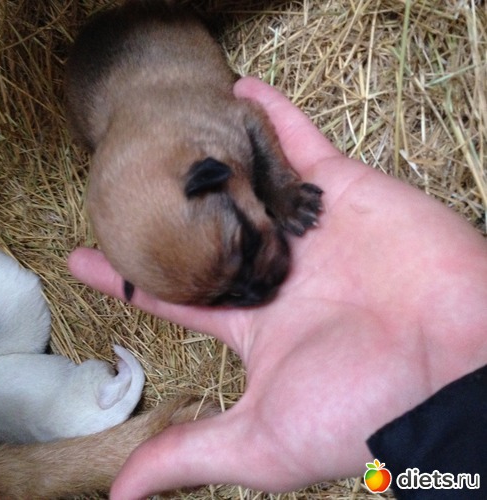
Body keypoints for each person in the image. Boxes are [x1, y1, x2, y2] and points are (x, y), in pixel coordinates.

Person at [68, 77, 487, 500]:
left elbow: (246, 121)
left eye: (246, 247)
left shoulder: (207, 139)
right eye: (220, 299)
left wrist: (280, 188)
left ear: (212, 175)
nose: (257, 292)